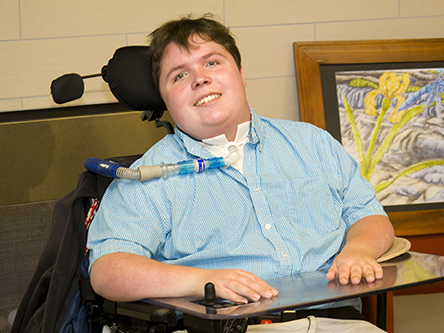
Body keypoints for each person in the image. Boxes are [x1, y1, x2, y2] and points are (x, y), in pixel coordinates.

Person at [87, 13, 395, 331]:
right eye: (178, 76)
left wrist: (358, 251)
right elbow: (108, 270)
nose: (199, 79)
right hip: (225, 326)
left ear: (241, 73)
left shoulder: (312, 143)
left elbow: (369, 215)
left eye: (212, 63)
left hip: (337, 321)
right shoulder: (150, 177)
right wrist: (203, 281)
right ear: (165, 98)